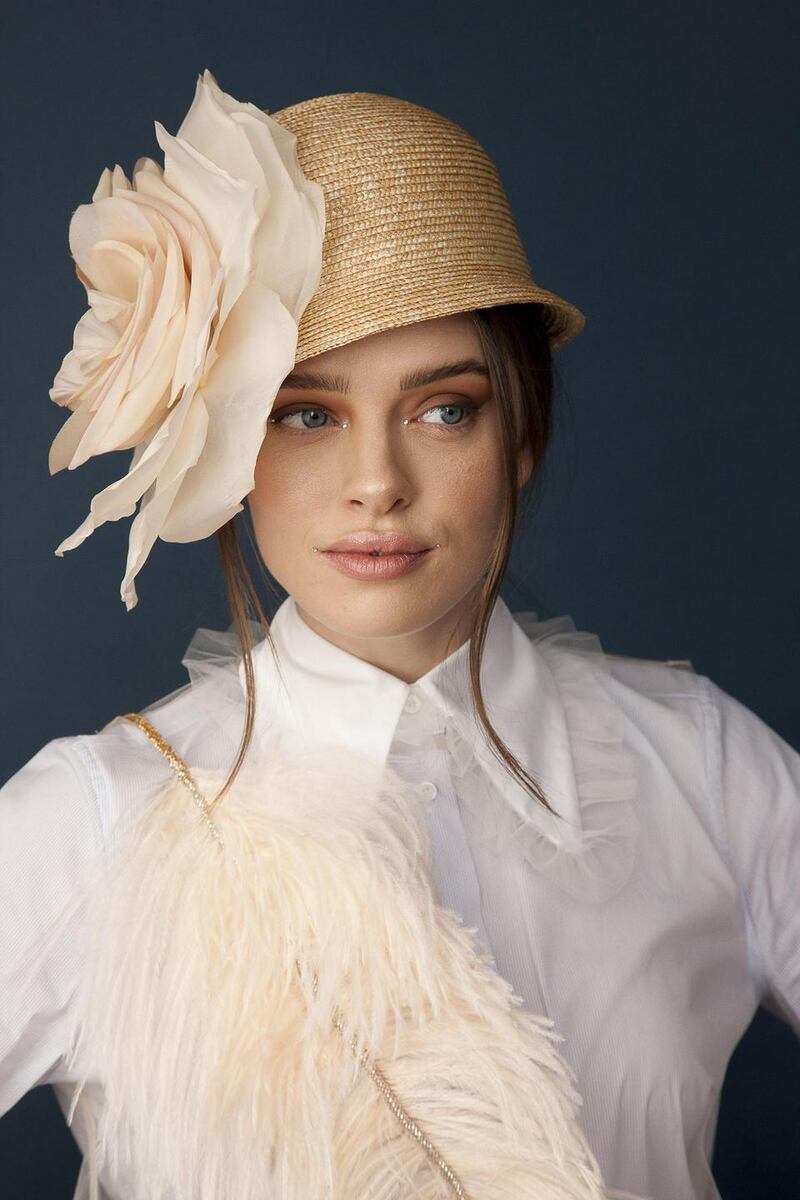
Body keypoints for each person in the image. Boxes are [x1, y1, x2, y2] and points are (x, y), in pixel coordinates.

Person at [0, 68, 797, 1200]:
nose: (375, 481)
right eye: (305, 414)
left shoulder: (700, 767)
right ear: (221, 448)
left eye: (443, 409)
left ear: (521, 435)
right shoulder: (95, 820)